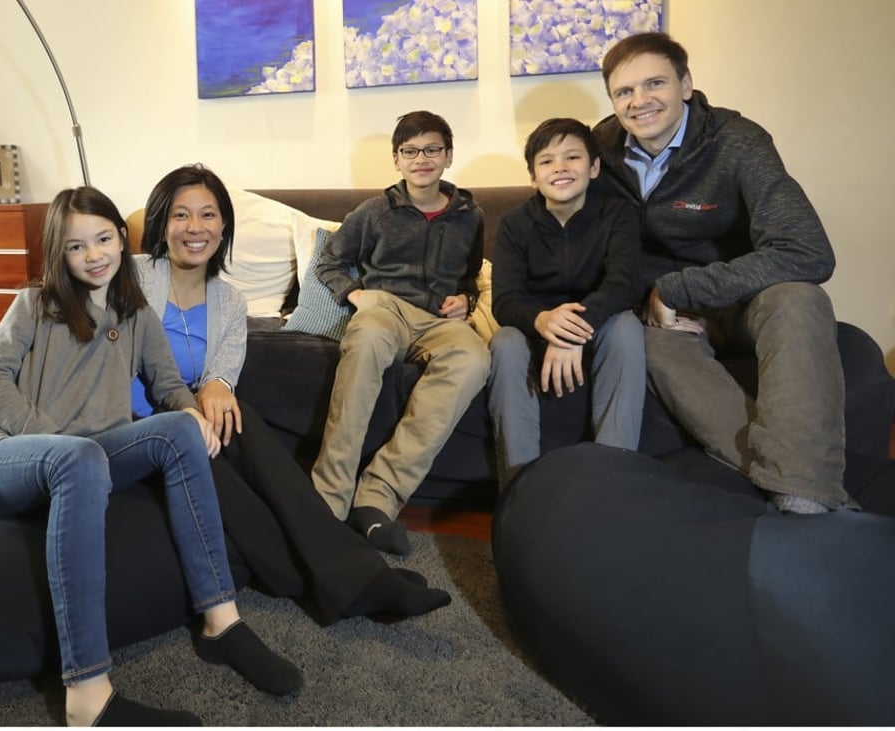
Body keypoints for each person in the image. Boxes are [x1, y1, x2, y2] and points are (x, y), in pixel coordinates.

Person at [0, 165, 451, 628]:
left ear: (224, 226)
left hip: (177, 414)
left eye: (209, 214)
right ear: (161, 225)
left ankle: (356, 576)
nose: (196, 227)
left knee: (243, 426)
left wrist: (214, 390)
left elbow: (218, 375)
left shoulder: (230, 302)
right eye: (182, 215)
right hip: (124, 431)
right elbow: (51, 319)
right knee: (208, 457)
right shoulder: (128, 273)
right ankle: (331, 581)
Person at [0, 186, 301, 727]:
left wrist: (192, 413)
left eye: (104, 239)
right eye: (76, 247)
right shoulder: (33, 305)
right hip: (6, 456)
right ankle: (87, 695)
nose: (94, 255)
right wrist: (53, 437)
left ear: (121, 240)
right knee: (78, 456)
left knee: (176, 428)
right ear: (58, 254)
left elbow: (170, 386)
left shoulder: (135, 314)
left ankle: (222, 623)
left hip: (86, 455)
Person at [592, 31, 851, 514]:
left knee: (801, 299)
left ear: (686, 84)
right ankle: (797, 489)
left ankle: (804, 491)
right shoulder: (598, 151)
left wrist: (678, 286)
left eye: (655, 83)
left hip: (744, 295)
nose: (639, 101)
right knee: (638, 337)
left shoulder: (738, 141)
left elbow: (809, 251)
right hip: (667, 315)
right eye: (623, 91)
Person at [312, 110, 490, 556]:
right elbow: (328, 262)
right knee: (367, 338)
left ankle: (377, 498)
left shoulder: (471, 215)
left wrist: (465, 299)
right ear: (397, 160)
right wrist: (355, 296)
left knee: (474, 359)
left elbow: (469, 275)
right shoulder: (374, 212)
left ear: (448, 156)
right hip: (384, 309)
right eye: (410, 151)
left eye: (432, 149)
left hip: (439, 323)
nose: (421, 159)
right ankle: (327, 500)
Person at [488, 117, 645, 490]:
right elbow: (506, 300)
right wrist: (543, 322)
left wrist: (573, 331)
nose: (560, 167)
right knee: (504, 342)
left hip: (599, 322)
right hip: (536, 327)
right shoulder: (514, 224)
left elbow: (625, 284)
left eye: (572, 157)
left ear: (593, 168)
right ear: (533, 176)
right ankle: (519, 488)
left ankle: (613, 480)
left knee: (627, 326)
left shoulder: (618, 214)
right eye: (546, 161)